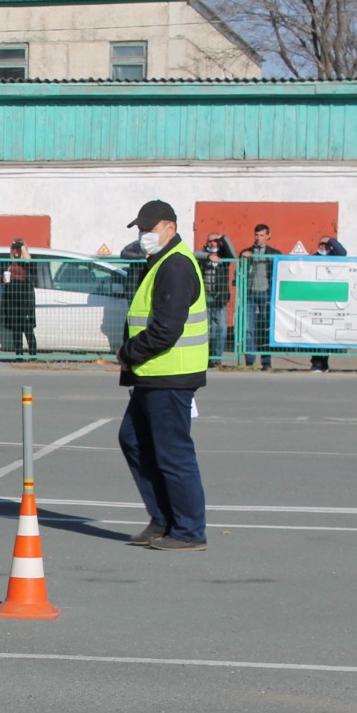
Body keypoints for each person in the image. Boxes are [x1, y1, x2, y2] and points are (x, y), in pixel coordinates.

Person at [116, 199, 209, 551]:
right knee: (134, 440)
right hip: (153, 374)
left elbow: (167, 329)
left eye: (149, 229)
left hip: (170, 374)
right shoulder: (160, 261)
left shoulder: (175, 265)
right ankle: (163, 519)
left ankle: (188, 531)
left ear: (170, 228)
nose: (143, 236)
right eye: (140, 229)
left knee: (173, 453)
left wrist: (128, 353)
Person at [310, 235, 348, 371]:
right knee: (315, 332)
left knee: (326, 334)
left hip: (330, 301)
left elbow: (343, 252)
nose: (323, 247)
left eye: (326, 245)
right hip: (316, 300)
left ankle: (324, 361)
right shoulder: (313, 258)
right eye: (321, 244)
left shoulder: (334, 257)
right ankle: (316, 362)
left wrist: (331, 240)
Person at [196, 233, 235, 365]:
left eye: (216, 241)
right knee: (207, 330)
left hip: (221, 297)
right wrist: (208, 256)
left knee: (221, 329)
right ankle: (206, 358)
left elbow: (233, 254)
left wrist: (224, 237)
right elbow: (193, 254)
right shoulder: (203, 254)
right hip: (206, 296)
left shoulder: (224, 255)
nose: (213, 244)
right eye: (211, 241)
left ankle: (217, 359)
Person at [240, 223, 275, 369]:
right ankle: (250, 361)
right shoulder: (246, 252)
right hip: (250, 294)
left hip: (266, 294)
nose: (258, 238)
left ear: (268, 236)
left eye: (262, 235)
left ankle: (266, 362)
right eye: (256, 235)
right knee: (248, 328)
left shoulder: (274, 253)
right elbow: (239, 271)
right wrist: (243, 259)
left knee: (267, 328)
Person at [0, 239, 37, 357]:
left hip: (25, 299)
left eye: (18, 248)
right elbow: (1, 276)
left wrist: (23, 247)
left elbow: (28, 262)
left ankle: (33, 355)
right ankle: (19, 355)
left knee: (27, 328)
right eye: (14, 249)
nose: (16, 251)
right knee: (16, 329)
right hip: (11, 298)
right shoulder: (9, 263)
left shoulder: (28, 260)